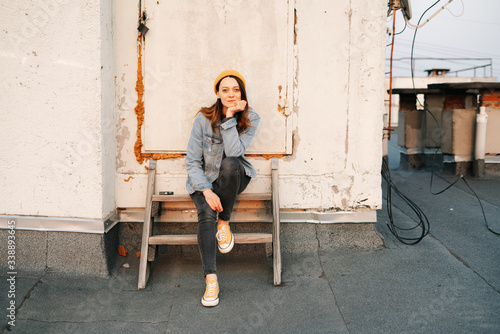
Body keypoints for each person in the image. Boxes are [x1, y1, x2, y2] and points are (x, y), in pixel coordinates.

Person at [186, 70, 260, 307]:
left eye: (236, 89)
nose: (231, 94)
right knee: (206, 212)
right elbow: (192, 162)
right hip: (205, 181)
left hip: (234, 177)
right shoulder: (203, 119)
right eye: (225, 90)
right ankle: (211, 280)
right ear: (217, 93)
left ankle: (224, 223)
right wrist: (206, 191)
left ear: (242, 93)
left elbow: (236, 154)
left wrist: (229, 118)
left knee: (230, 163)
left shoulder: (251, 118)